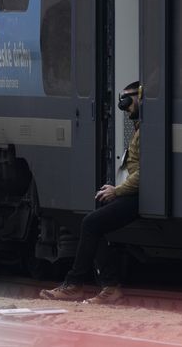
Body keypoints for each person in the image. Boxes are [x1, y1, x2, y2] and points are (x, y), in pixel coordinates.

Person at [41, 80, 142, 305]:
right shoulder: (139, 128)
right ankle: (107, 286)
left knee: (91, 223)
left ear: (141, 97)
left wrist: (118, 191)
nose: (125, 107)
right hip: (135, 193)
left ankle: (77, 284)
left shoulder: (147, 129)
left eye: (129, 100)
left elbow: (147, 174)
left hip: (141, 196)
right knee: (94, 219)